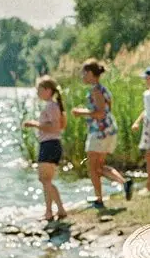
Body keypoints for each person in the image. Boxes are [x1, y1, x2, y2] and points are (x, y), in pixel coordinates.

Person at [72, 60, 133, 208]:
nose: (82, 75)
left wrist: (81, 112)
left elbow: (100, 113)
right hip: (108, 130)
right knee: (99, 167)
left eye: (84, 72)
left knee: (92, 167)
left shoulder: (95, 90)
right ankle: (125, 183)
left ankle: (99, 200)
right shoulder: (102, 89)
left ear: (91, 73)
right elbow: (107, 110)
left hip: (99, 132)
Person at [23, 77, 67, 222]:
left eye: (39, 90)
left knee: (44, 179)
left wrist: (35, 124)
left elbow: (55, 127)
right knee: (46, 180)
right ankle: (49, 211)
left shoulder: (51, 106)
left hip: (50, 144)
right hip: (51, 144)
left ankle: (60, 209)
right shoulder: (53, 105)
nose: (37, 93)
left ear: (48, 90)